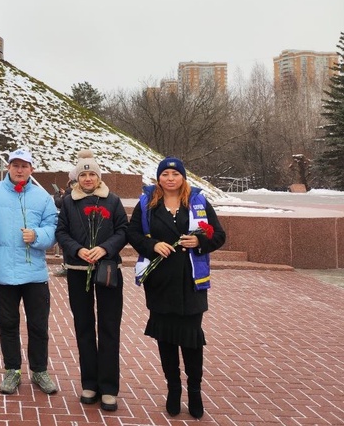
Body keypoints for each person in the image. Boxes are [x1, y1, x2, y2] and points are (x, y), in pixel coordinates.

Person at [127, 157, 226, 419]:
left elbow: (219, 235)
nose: (170, 178)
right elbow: (133, 233)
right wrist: (152, 246)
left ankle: (194, 391)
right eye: (165, 174)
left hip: (192, 282)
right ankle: (173, 389)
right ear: (158, 178)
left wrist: (199, 241)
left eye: (175, 173)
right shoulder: (148, 203)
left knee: (192, 340)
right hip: (161, 282)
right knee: (167, 339)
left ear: (183, 177)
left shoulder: (198, 202)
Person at [55, 150, 128, 412]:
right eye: (83, 174)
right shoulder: (69, 202)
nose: (88, 178)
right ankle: (89, 383)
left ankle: (109, 388)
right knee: (84, 326)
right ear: (77, 178)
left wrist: (105, 248)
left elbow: (123, 231)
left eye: (92, 174)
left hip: (107, 269)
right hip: (78, 269)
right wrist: (77, 250)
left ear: (99, 177)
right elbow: (61, 232)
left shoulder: (113, 201)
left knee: (109, 327)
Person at [0, 149, 58, 395]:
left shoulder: (43, 196)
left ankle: (39, 370)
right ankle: (12, 370)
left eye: (24, 166)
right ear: (9, 167)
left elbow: (53, 227)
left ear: (31, 169)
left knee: (38, 325)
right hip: (2, 271)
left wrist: (37, 236)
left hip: (34, 273)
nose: (19, 170)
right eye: (15, 165)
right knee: (7, 323)